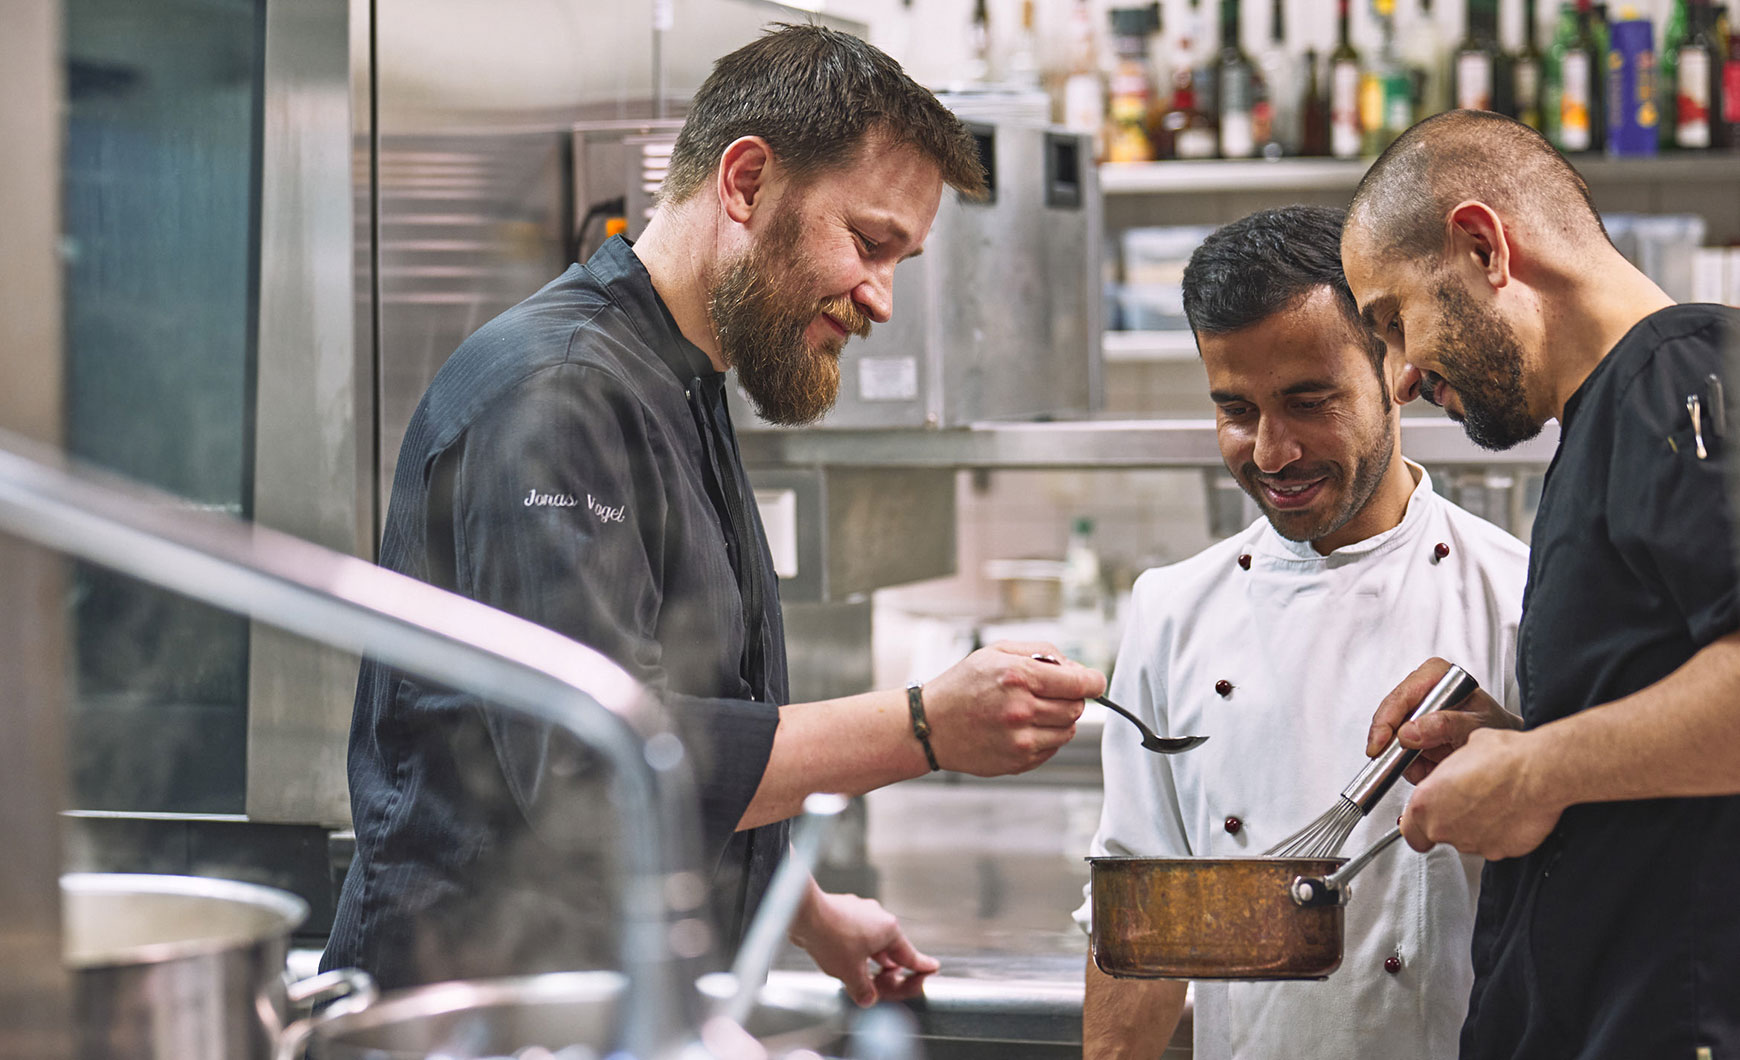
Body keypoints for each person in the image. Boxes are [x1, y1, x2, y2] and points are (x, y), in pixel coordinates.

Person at [322, 24, 1104, 1000]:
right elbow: (592, 769)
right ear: (745, 183)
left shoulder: (680, 381)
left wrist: (803, 906)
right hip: (476, 1012)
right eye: (870, 243)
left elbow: (676, 719)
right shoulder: (555, 393)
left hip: (600, 999)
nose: (882, 299)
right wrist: (924, 725)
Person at [1077, 206, 1530, 1060]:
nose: (1273, 452)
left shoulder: (1515, 595)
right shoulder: (1172, 610)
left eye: (1307, 401)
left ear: (1394, 370)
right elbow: (1138, 933)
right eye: (1236, 410)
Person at [1342, 109, 1740, 1057]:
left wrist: (1533, 770)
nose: (1397, 377)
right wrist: (1517, 745)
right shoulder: (1609, 415)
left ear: (1483, 246)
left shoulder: (1682, 376)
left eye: (1394, 321)